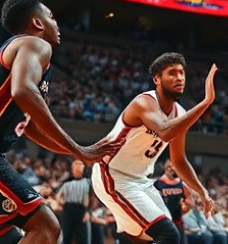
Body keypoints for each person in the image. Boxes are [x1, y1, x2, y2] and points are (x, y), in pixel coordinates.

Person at [0, 0, 121, 244]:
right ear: (38, 23)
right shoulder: (36, 44)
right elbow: (23, 90)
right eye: (51, 17)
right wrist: (78, 149)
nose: (57, 23)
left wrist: (77, 151)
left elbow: (30, 127)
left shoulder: (16, 52)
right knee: (46, 227)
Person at [91, 52, 217, 244]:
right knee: (168, 235)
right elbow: (165, 132)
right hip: (112, 175)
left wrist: (201, 191)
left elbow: (179, 160)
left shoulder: (179, 114)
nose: (180, 78)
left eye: (182, 73)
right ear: (157, 79)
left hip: (141, 180)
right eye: (172, 73)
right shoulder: (144, 103)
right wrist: (205, 102)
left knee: (148, 238)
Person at [155, 159, 191, 243]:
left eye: (172, 167)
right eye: (168, 167)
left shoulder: (182, 184)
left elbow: (189, 203)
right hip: (163, 221)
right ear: (164, 168)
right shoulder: (157, 184)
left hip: (178, 221)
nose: (170, 169)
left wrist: (185, 206)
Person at [57, 159, 93, 244]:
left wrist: (88, 212)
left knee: (83, 238)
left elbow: (89, 198)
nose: (78, 169)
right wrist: (63, 203)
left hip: (81, 209)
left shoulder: (87, 182)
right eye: (76, 167)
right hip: (68, 209)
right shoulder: (67, 182)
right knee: (66, 237)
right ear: (72, 169)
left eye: (80, 167)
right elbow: (58, 196)